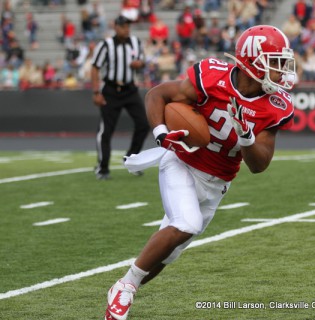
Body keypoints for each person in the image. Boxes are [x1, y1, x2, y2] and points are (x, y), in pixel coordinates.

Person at [104, 24, 296, 320]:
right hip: (183, 162)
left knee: (169, 252)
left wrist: (246, 137)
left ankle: (127, 288)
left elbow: (259, 165)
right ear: (250, 61)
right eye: (275, 61)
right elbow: (157, 94)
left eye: (283, 62)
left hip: (217, 183)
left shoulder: (275, 106)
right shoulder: (211, 77)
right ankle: (125, 287)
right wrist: (160, 133)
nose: (281, 70)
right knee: (187, 224)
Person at [91, 15, 149, 180]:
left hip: (130, 89)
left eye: (128, 26)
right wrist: (96, 92)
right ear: (115, 27)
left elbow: (142, 60)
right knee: (106, 131)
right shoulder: (106, 45)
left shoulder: (135, 42)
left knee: (143, 124)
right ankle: (102, 168)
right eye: (123, 26)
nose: (126, 29)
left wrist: (140, 64)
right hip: (111, 89)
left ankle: (131, 159)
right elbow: (95, 67)